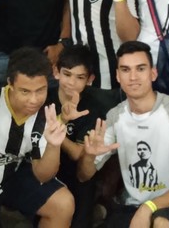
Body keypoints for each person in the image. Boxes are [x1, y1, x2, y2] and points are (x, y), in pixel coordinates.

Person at [78, 41, 169, 227]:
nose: (133, 77)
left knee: (161, 223)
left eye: (140, 69)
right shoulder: (115, 116)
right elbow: (84, 175)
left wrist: (148, 207)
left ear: (153, 73)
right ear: (117, 76)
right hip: (133, 206)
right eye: (125, 70)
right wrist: (89, 157)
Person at [0, 47, 74, 227]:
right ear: (10, 82)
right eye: (25, 91)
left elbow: (43, 175)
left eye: (40, 90)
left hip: (11, 178)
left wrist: (53, 145)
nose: (33, 100)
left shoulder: (45, 118)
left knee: (63, 203)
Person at [47, 44, 120, 227]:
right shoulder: (43, 97)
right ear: (56, 72)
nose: (71, 83)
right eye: (67, 74)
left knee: (80, 219)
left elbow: (78, 154)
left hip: (77, 172)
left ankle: (97, 209)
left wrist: (52, 130)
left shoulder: (93, 107)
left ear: (90, 79)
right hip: (44, 166)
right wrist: (60, 121)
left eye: (80, 77)